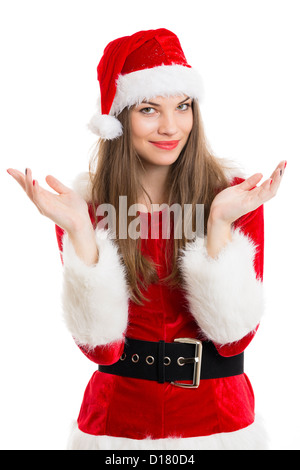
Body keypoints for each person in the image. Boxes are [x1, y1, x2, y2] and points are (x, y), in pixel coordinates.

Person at [7, 28, 286, 450]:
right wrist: (80, 231)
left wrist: (219, 226)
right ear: (119, 119)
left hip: (218, 425)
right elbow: (102, 351)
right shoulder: (86, 208)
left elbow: (234, 339)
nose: (171, 126)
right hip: (117, 428)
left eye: (183, 106)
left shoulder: (231, 197)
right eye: (150, 109)